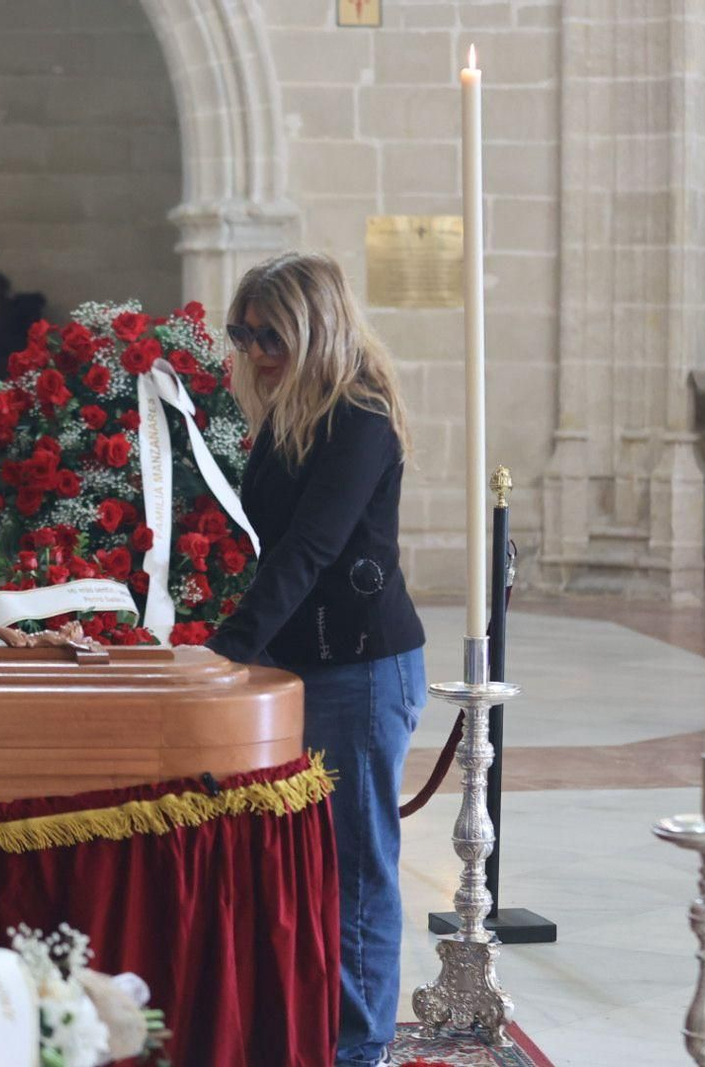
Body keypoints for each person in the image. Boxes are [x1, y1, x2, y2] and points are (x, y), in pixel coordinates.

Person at [207, 252, 426, 1067]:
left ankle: (358, 1049)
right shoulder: (291, 407)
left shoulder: (359, 412)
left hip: (362, 669)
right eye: (245, 333)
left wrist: (227, 649)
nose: (257, 350)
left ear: (317, 329)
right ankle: (314, 1033)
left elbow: (308, 549)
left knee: (357, 873)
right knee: (309, 865)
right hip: (303, 666)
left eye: (273, 335)